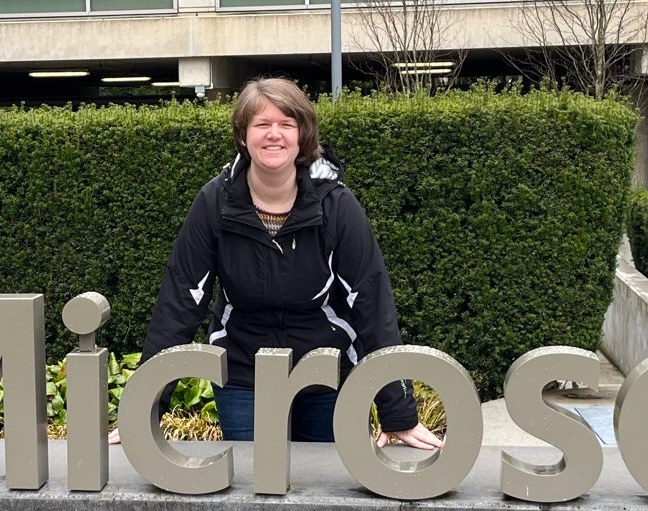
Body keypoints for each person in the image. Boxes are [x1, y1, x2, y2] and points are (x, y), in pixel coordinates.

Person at [122, 77, 444, 450]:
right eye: (261, 124)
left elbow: (372, 305)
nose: (274, 134)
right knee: (250, 481)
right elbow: (180, 300)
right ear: (243, 135)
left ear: (302, 135)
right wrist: (143, 412)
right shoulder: (214, 202)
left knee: (323, 483)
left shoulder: (336, 206)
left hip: (326, 375)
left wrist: (398, 413)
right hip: (242, 376)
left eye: (286, 124)